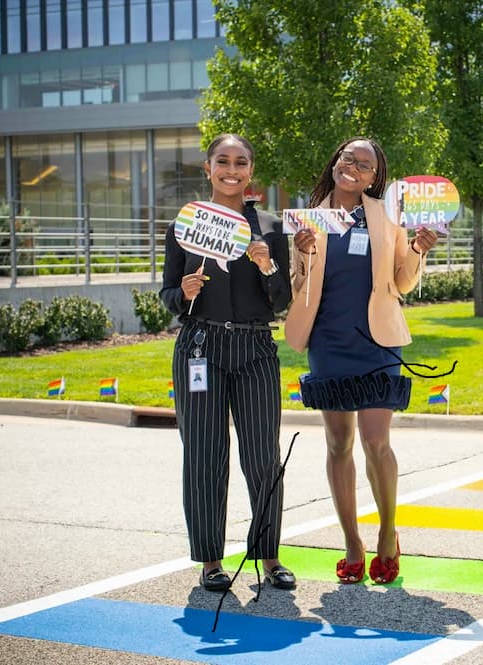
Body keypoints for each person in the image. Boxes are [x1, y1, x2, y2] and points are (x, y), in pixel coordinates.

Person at [284, 137, 438, 584]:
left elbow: (403, 281)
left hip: (378, 341)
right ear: (335, 162)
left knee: (376, 442)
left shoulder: (387, 215)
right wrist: (301, 250)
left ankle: (388, 534)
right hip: (329, 339)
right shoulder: (310, 217)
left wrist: (418, 249)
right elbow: (300, 289)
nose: (353, 167)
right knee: (338, 444)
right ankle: (352, 541)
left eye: (365, 164)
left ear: (375, 177)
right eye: (348, 158)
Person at [159, 133, 296, 592]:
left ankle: (270, 556)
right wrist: (185, 294)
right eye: (223, 161)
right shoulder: (186, 224)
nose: (231, 169)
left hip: (256, 348)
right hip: (200, 347)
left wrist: (268, 268)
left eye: (240, 162)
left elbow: (281, 301)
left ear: (251, 170)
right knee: (203, 455)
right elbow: (168, 296)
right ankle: (211, 560)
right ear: (208, 168)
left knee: (262, 456)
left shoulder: (271, 228)